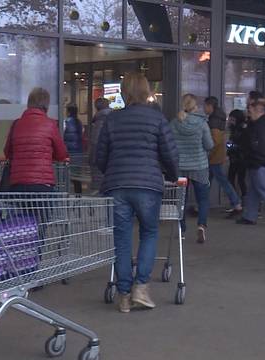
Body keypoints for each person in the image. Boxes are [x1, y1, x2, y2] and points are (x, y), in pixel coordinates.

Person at [96, 73, 179, 313]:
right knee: (149, 233)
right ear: (146, 91)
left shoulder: (112, 120)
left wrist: (112, 172)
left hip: (117, 186)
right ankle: (141, 288)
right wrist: (173, 174)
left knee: (121, 239)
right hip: (148, 185)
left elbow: (99, 157)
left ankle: (123, 296)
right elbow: (170, 154)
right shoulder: (157, 119)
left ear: (124, 92)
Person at [3, 88, 68, 192]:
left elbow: (7, 151)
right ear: (46, 105)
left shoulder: (16, 124)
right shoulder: (50, 124)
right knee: (42, 207)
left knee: (21, 208)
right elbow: (61, 154)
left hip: (18, 183)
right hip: (42, 183)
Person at [171, 94, 214, 243]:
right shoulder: (202, 124)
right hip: (199, 167)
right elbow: (209, 145)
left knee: (181, 199)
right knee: (202, 199)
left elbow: (169, 145)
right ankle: (201, 225)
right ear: (195, 107)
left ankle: (181, 230)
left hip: (180, 168)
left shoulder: (174, 123)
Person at [236, 98, 265, 225]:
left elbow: (260, 146)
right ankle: (250, 215)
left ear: (258, 111)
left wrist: (252, 156)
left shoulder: (259, 126)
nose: (248, 113)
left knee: (263, 190)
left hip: (259, 162)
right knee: (254, 190)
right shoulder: (264, 123)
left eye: (250, 110)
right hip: (260, 162)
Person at [204, 96, 242, 216]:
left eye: (205, 106)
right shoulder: (217, 119)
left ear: (210, 106)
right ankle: (202, 205)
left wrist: (207, 153)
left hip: (213, 158)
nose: (204, 108)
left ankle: (236, 203)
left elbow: (215, 141)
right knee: (208, 182)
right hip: (216, 157)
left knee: (218, 181)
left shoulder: (214, 121)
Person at [227, 110, 250, 204]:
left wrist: (231, 146)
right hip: (234, 158)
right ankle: (236, 200)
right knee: (231, 179)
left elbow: (243, 145)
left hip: (242, 158)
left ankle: (242, 200)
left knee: (241, 180)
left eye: (232, 119)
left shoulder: (244, 129)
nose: (230, 121)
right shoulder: (233, 129)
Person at [89, 98, 111, 193]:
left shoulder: (99, 121)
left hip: (100, 163)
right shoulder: (112, 119)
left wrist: (92, 161)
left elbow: (96, 143)